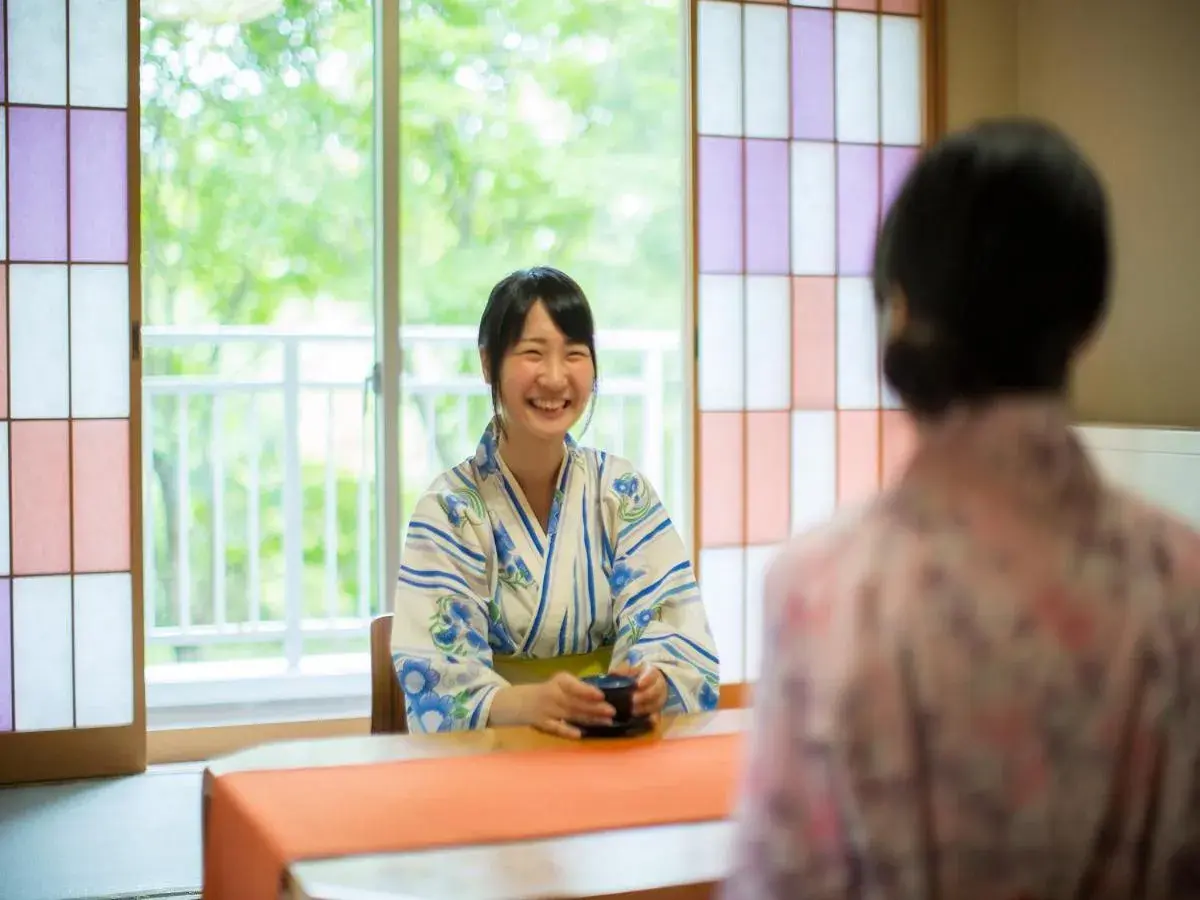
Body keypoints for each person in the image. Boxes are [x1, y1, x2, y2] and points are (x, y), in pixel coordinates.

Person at [723, 118, 1200, 898]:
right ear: (1087, 320)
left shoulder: (825, 588)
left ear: (901, 307)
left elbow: (783, 878)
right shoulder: (1179, 579)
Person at [391, 266, 719, 736]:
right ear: (488, 362)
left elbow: (675, 629)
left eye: (574, 354)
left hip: (607, 746)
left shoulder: (620, 492)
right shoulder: (449, 510)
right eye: (533, 353)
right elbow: (440, 680)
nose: (554, 376)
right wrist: (527, 703)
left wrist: (656, 682)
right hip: (493, 753)